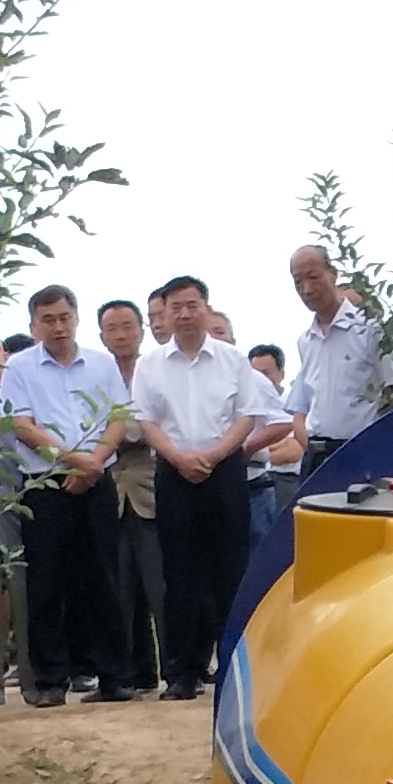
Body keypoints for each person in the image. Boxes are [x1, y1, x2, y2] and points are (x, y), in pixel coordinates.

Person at [131, 276, 276, 699]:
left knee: (229, 571)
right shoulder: (151, 365)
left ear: (206, 308)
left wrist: (213, 456)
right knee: (179, 575)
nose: (185, 313)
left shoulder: (232, 360)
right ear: (165, 312)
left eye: (192, 305)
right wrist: (178, 458)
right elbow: (146, 422)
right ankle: (181, 672)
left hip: (225, 470)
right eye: (175, 306)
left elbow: (247, 416)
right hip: (174, 474)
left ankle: (233, 668)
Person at [0, 285, 129, 708]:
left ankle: (114, 676)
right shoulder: (20, 367)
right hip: (44, 486)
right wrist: (74, 460)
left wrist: (93, 464)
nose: (58, 326)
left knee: (104, 579)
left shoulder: (102, 363)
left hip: (97, 482)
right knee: (47, 582)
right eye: (47, 319)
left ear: (76, 318)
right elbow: (21, 425)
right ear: (34, 325)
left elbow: (119, 418)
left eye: (64, 317)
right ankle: (51, 679)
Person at [96, 297, 165, 700]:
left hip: (149, 480)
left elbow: (148, 426)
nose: (120, 335)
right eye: (111, 328)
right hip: (108, 482)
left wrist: (116, 435)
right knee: (118, 584)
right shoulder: (97, 373)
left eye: (127, 326)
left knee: (158, 579)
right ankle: (129, 672)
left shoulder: (155, 370)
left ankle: (173, 668)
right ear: (101, 335)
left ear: (141, 329)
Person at [285, 243, 393, 473]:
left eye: (314, 277)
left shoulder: (370, 329)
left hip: (361, 452)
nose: (307, 289)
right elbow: (308, 404)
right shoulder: (306, 341)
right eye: (298, 282)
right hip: (317, 454)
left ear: (333, 273)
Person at [242, 339, 308, 532]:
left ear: (281, 374)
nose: (260, 378)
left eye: (265, 373)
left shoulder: (293, 403)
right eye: (254, 371)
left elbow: (294, 449)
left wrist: (250, 450)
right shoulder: (246, 398)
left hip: (284, 482)